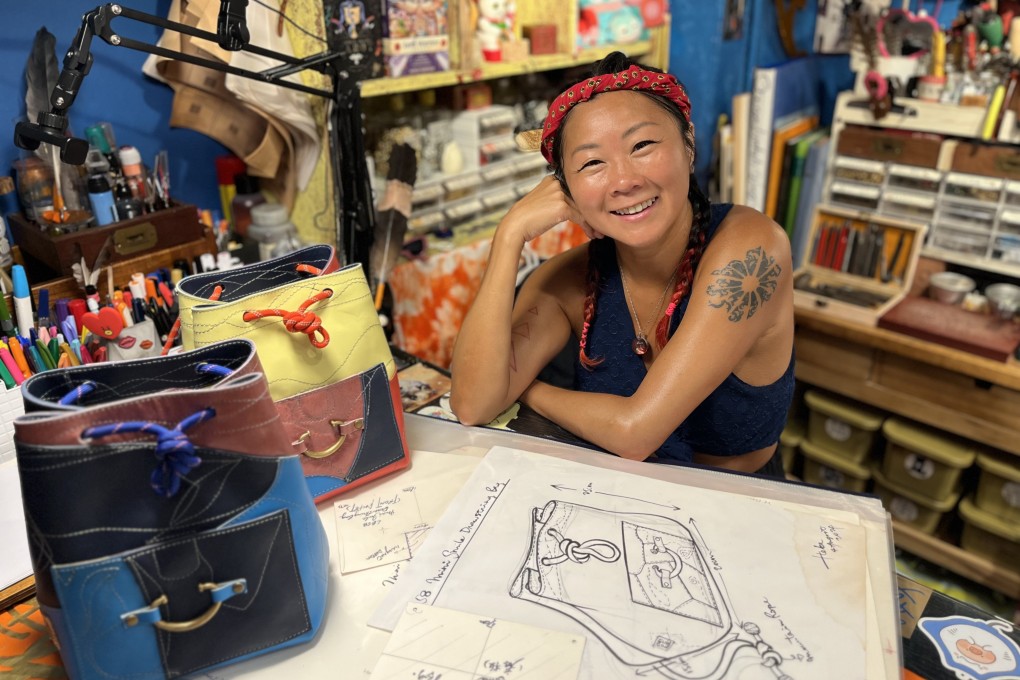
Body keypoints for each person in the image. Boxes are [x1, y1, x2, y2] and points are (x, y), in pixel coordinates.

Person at [449, 52, 795, 477]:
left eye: (642, 146)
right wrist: (509, 237)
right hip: (619, 494)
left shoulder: (750, 250)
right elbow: (471, 404)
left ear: (688, 144)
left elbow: (635, 433)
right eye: (592, 163)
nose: (624, 181)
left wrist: (523, 390)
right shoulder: (568, 279)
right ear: (566, 189)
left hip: (744, 506)